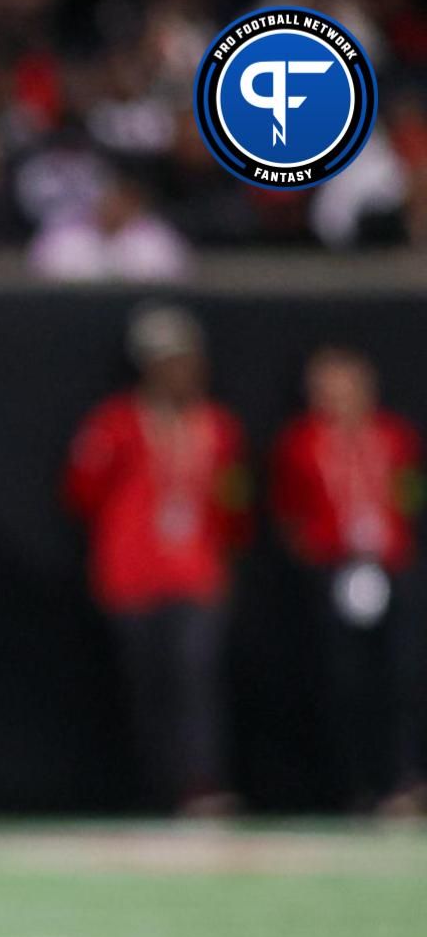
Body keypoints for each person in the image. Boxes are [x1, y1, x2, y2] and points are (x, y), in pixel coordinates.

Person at [64, 304, 248, 815]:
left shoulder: (218, 427)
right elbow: (81, 493)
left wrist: (222, 557)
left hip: (196, 573)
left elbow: (232, 502)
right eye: (169, 361)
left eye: (187, 360)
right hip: (131, 576)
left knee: (197, 678)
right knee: (147, 688)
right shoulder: (115, 424)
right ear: (146, 365)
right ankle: (158, 790)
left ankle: (200, 785)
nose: (180, 371)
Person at [271, 347, 425, 815]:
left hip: (389, 566)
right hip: (334, 569)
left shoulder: (395, 437)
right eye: (326, 388)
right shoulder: (300, 442)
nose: (338, 397)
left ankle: (403, 780)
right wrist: (317, 558)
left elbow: (410, 494)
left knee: (402, 678)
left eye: (346, 386)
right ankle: (356, 787)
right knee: (345, 683)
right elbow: (289, 511)